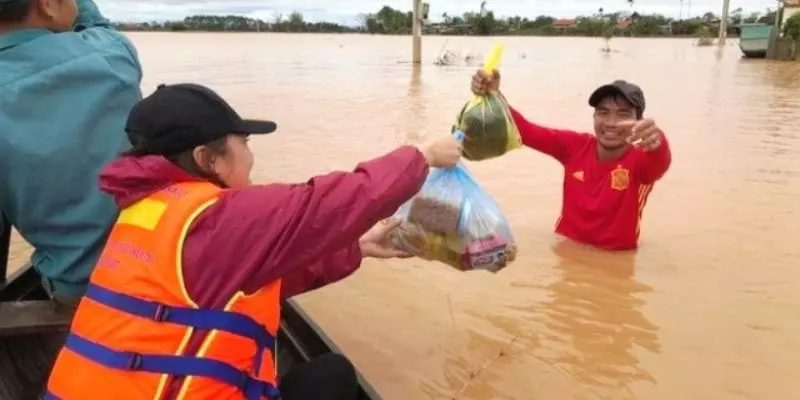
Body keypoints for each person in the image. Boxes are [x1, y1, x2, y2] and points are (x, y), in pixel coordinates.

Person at [45, 83, 463, 399]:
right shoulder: (217, 216)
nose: (250, 155)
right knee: (332, 377)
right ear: (208, 160)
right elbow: (326, 203)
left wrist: (358, 247)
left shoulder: (144, 212)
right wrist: (421, 157)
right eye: (243, 142)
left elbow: (236, 286)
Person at [0, 0, 142, 303]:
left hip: (76, 287)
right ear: (48, 4)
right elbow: (96, 23)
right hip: (151, 267)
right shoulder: (112, 54)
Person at [471, 71, 671, 250]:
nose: (611, 123)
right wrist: (494, 95)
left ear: (639, 120)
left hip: (616, 259)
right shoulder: (575, 146)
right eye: (603, 112)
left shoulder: (642, 161)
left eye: (623, 115)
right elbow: (525, 131)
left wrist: (657, 139)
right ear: (594, 116)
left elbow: (660, 161)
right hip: (566, 249)